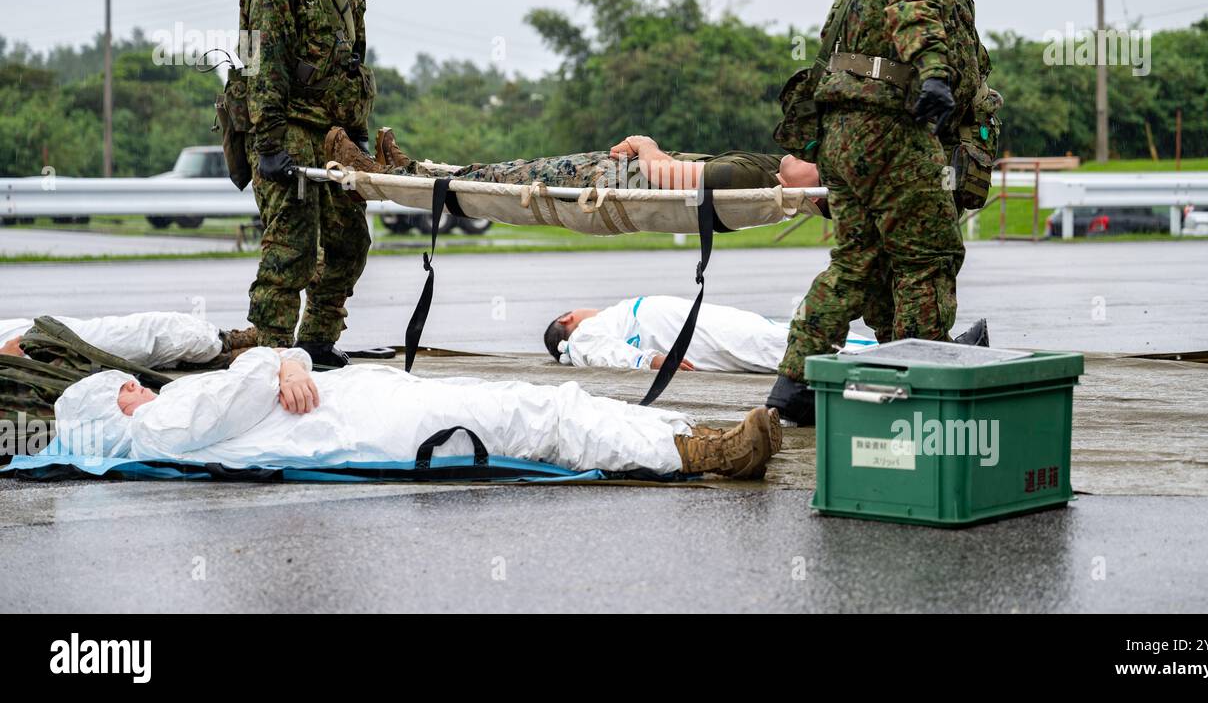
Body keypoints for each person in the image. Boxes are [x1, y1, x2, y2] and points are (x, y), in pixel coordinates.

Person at [768, 0, 983, 426]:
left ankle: (793, 383)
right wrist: (935, 75)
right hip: (889, 130)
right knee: (926, 259)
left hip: (842, 136)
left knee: (853, 263)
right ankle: (916, 383)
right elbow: (915, 12)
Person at [52, 348, 783, 479]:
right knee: (541, 421)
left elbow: (256, 379)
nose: (138, 387)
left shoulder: (163, 412)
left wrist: (284, 362)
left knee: (546, 405)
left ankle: (689, 435)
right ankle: (704, 456)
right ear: (115, 401)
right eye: (127, 386)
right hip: (368, 426)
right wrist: (275, 363)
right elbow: (239, 391)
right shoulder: (151, 426)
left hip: (364, 403)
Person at [238, 0, 381, 369]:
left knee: (349, 241)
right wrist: (270, 144)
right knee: (293, 243)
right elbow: (262, 69)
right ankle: (272, 351)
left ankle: (317, 340)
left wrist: (359, 135)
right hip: (288, 131)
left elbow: (352, 64)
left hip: (336, 136)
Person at [325, 129, 827, 209]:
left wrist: (647, 143)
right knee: (498, 172)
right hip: (606, 172)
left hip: (604, 179)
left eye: (809, 159)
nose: (797, 151)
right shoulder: (769, 170)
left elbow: (665, 176)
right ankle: (408, 168)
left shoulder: (747, 179)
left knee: (495, 179)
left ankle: (383, 173)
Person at [544, 296, 876, 373]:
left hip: (697, 324)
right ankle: (876, 356)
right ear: (567, 318)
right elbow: (599, 352)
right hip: (695, 332)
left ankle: (873, 350)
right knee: (771, 344)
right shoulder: (582, 336)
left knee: (772, 337)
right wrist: (649, 361)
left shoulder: (604, 325)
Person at [0, 311, 252, 368]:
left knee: (127, 335)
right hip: (28, 348)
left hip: (30, 334)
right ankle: (229, 349)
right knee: (131, 341)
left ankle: (227, 341)